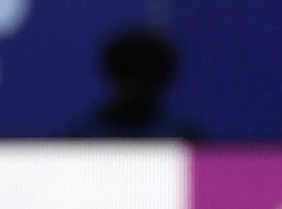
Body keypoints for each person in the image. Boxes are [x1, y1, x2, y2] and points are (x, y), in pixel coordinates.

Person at [67, 25, 202, 139]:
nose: (134, 85)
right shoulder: (81, 140)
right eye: (125, 74)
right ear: (113, 75)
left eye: (145, 77)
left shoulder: (185, 140)